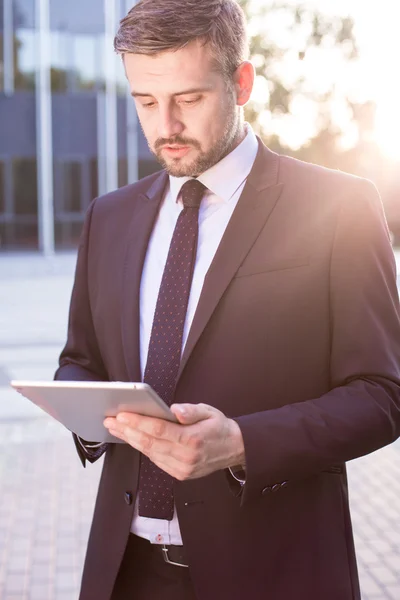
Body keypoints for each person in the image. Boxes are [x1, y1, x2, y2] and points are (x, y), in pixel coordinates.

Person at [55, 1, 400, 599]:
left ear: (241, 82)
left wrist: (242, 441)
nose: (165, 126)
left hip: (275, 571)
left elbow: (382, 394)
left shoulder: (339, 207)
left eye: (187, 99)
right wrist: (91, 418)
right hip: (126, 571)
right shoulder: (107, 217)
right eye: (144, 102)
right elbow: (81, 359)